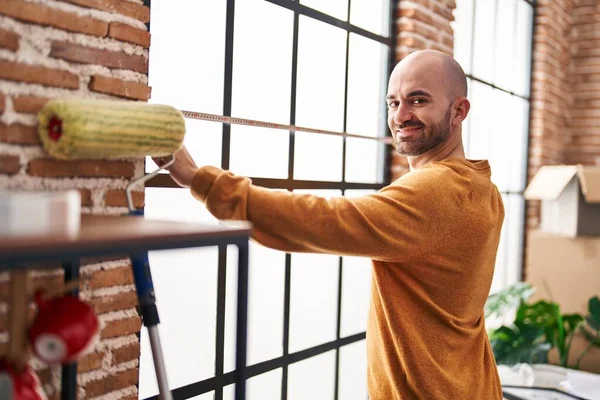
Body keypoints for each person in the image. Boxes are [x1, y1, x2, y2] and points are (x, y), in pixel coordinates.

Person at [155, 50, 504, 399]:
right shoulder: (483, 188)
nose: (400, 115)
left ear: (459, 110)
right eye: (392, 102)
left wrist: (198, 179)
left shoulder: (436, 192)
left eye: (418, 100)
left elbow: (324, 220)